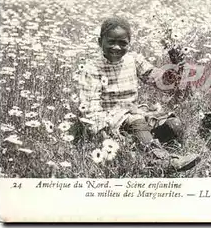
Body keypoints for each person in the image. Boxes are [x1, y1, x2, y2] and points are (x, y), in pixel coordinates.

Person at [77, 17, 200, 172]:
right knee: (136, 119)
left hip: (133, 115)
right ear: (100, 42)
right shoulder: (92, 68)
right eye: (111, 42)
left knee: (173, 124)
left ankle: (140, 144)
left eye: (123, 43)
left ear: (129, 43)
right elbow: (89, 107)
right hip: (109, 120)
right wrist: (103, 136)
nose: (116, 47)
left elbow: (157, 79)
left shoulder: (133, 60)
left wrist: (175, 68)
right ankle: (161, 162)